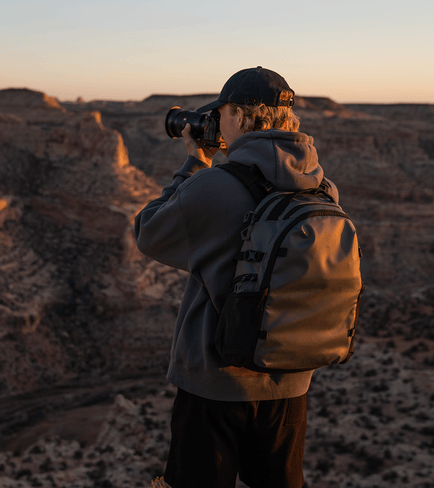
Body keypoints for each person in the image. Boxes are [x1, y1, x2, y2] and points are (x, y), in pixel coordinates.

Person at [135, 66, 338, 488]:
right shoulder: (322, 189)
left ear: (242, 117)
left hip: (215, 384)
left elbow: (149, 233)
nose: (218, 123)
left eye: (222, 113)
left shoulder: (214, 187)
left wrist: (195, 162)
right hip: (290, 384)